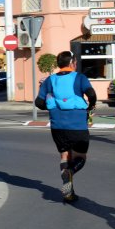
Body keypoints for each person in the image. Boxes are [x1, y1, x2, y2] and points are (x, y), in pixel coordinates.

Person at [35, 51, 95, 203]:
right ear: (71, 63)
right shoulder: (79, 77)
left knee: (64, 156)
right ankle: (71, 171)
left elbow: (39, 103)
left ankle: (69, 192)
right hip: (77, 125)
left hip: (57, 126)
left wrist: (52, 104)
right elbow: (92, 94)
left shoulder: (50, 80)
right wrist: (91, 106)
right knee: (80, 157)